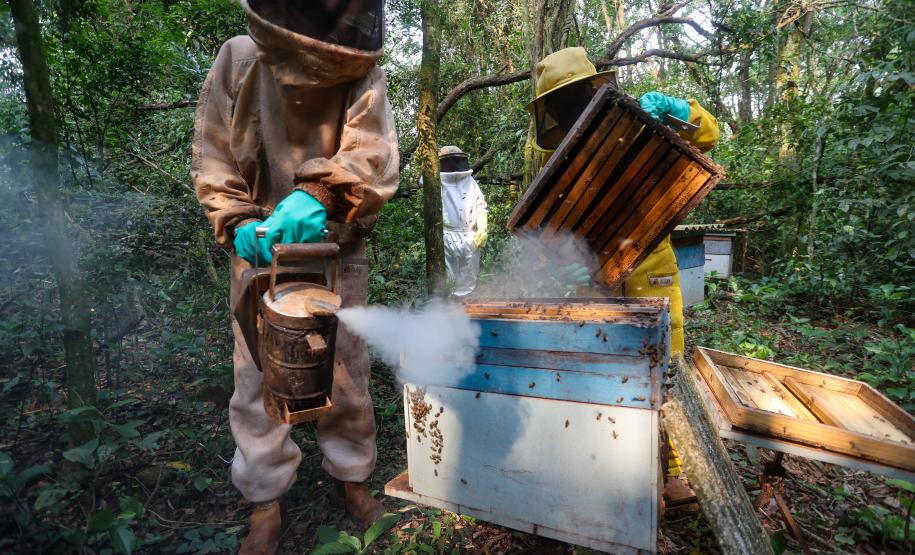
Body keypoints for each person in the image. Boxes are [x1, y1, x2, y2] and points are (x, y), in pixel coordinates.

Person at [191, 1, 398, 552]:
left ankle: (351, 479)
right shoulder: (237, 58)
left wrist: (324, 192)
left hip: (335, 246)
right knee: (258, 376)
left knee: (347, 370)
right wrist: (235, 220)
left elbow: (372, 153)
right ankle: (265, 500)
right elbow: (213, 157)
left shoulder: (363, 70)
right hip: (260, 254)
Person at [526, 46, 720, 503]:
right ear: (550, 112)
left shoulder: (637, 132)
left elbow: (708, 137)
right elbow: (540, 239)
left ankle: (671, 471)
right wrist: (561, 270)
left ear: (595, 89)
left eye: (575, 96)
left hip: (653, 274)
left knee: (666, 375)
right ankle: (615, 470)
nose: (571, 108)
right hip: (597, 290)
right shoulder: (559, 168)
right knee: (611, 379)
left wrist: (677, 110)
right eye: (562, 102)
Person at [438, 146, 488, 297]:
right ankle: (449, 308)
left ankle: (466, 309)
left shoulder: (470, 181)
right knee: (448, 276)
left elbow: (481, 205)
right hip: (447, 234)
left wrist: (483, 228)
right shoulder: (435, 180)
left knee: (469, 273)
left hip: (469, 234)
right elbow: (423, 180)